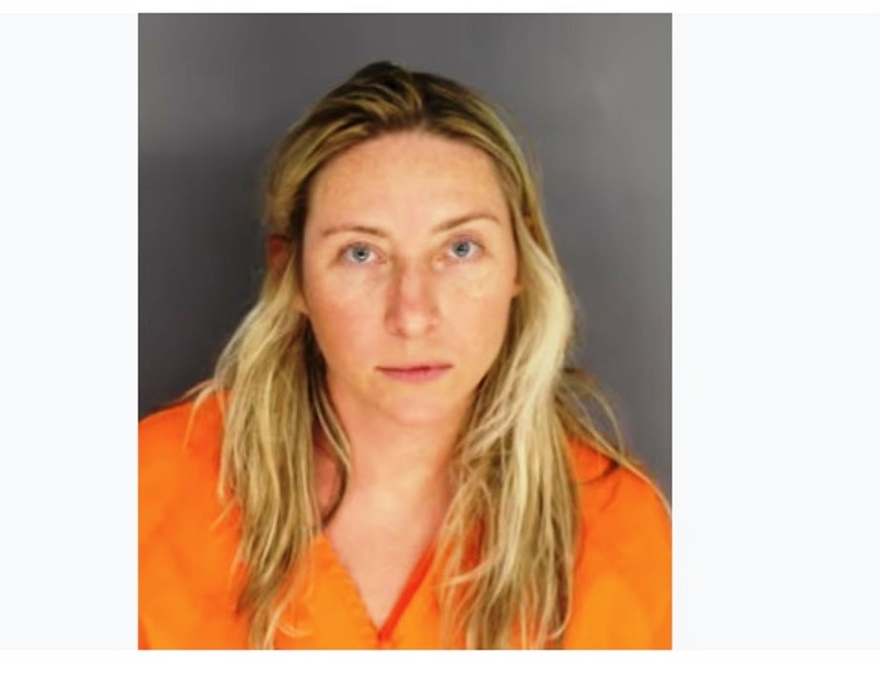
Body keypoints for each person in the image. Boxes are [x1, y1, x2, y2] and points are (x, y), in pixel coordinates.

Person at [138, 61, 670, 650]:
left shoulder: (620, 531)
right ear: (292, 277)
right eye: (361, 254)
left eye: (461, 249)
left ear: (520, 262)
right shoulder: (148, 490)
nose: (413, 316)